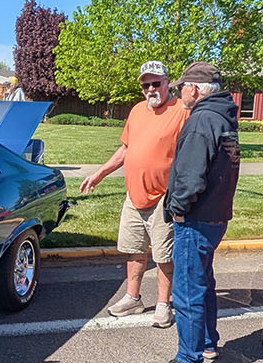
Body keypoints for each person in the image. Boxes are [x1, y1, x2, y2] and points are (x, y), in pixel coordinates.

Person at [79, 60, 188, 328]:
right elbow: (126, 149)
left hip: (164, 198)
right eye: (145, 85)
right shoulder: (138, 111)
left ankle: (163, 304)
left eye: (156, 83)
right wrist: (100, 174)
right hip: (134, 195)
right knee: (133, 250)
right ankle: (133, 298)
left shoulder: (181, 112)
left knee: (164, 255)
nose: (151, 89)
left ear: (168, 83)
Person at [154, 62, 239, 363]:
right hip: (216, 215)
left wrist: (177, 209)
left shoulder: (201, 120)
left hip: (196, 217)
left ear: (194, 88)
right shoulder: (222, 118)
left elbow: (191, 176)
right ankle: (206, 343)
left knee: (188, 288)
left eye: (181, 87)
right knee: (203, 282)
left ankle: (189, 359)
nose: (179, 93)